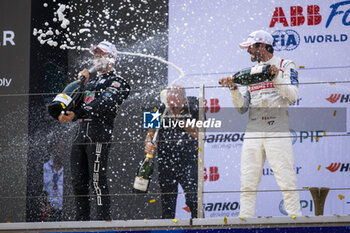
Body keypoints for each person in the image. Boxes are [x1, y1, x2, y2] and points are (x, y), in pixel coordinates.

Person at [220, 30, 301, 217]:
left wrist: (276, 77)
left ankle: (298, 223)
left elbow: (293, 96)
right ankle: (244, 222)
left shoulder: (285, 64)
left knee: (286, 179)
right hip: (254, 129)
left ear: (262, 46)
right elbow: (242, 108)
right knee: (248, 180)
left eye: (251, 47)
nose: (248, 51)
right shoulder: (250, 73)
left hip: (277, 128)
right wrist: (233, 89)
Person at [58, 41, 130, 220]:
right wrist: (80, 84)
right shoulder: (88, 82)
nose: (96, 56)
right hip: (80, 132)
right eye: (95, 53)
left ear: (111, 57)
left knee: (97, 180)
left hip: (99, 132)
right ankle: (81, 221)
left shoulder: (119, 82)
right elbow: (72, 103)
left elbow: (104, 104)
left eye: (101, 53)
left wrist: (75, 114)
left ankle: (102, 221)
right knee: (78, 182)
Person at [144, 86, 199, 219]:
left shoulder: (194, 106)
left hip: (189, 161)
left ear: (184, 100)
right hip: (166, 161)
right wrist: (148, 144)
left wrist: (179, 118)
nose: (172, 107)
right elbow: (149, 135)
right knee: (167, 204)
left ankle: (199, 226)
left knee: (193, 200)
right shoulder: (158, 108)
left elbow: (198, 134)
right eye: (169, 103)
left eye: (175, 104)